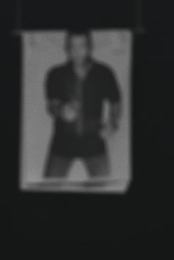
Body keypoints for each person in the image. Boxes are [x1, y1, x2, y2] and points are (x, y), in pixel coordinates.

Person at [42, 29, 122, 180]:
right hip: (62, 143)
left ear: (90, 47)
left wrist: (113, 123)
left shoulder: (104, 73)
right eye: (72, 46)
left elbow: (115, 100)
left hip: (94, 143)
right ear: (66, 48)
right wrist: (61, 111)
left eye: (82, 45)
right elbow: (51, 105)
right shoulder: (55, 74)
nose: (77, 51)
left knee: (103, 188)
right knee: (48, 187)